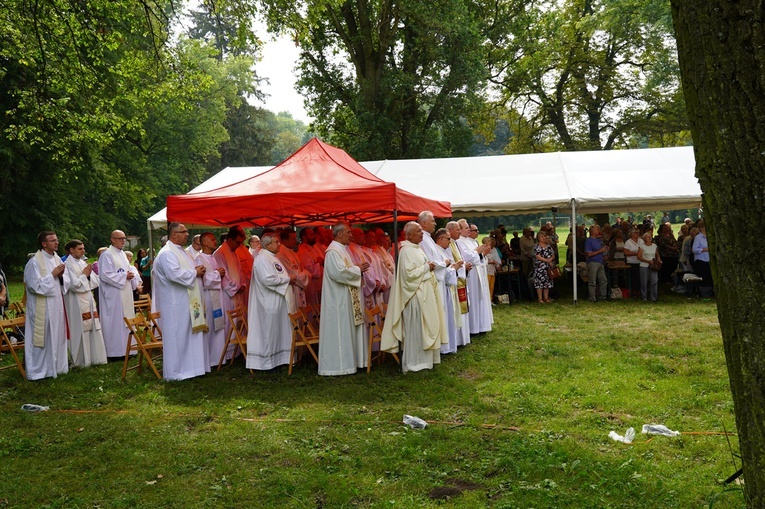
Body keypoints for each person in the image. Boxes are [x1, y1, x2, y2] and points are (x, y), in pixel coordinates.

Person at [381, 222, 445, 372]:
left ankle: (425, 360)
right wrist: (426, 267)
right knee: (416, 329)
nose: (422, 233)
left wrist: (427, 267)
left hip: (423, 294)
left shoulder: (416, 249)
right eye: (418, 231)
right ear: (409, 235)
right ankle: (414, 362)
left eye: (422, 230)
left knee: (424, 328)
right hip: (414, 297)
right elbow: (408, 276)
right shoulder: (406, 251)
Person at [153, 222, 209, 381]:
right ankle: (176, 373)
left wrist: (198, 270)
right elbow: (174, 275)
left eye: (186, 231)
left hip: (187, 302)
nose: (187, 234)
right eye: (183, 232)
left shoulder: (181, 252)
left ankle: (191, 369)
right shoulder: (167, 253)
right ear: (173, 235)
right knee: (178, 336)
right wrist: (195, 272)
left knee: (188, 335)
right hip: (175, 303)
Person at [318, 223, 366, 376]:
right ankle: (338, 366)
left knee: (347, 329)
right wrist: (358, 269)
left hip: (345, 297)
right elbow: (338, 273)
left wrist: (357, 269)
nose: (351, 235)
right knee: (340, 330)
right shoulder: (333, 252)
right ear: (339, 234)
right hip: (337, 299)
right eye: (348, 232)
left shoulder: (342, 250)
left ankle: (351, 362)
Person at [24, 231, 71, 380]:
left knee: (56, 335)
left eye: (57, 240)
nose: (57, 243)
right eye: (52, 241)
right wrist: (52, 275)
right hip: (42, 307)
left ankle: (57, 367)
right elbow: (34, 286)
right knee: (42, 338)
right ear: (44, 244)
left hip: (56, 305)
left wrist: (62, 276)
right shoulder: (34, 262)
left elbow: (65, 280)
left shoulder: (57, 258)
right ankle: (39, 371)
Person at [246, 232, 295, 371]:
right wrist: (287, 279)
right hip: (267, 302)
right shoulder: (261, 259)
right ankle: (268, 363)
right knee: (269, 331)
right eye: (276, 242)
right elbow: (267, 280)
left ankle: (279, 360)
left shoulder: (272, 257)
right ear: (267, 245)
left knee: (277, 331)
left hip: (277, 301)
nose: (279, 244)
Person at [64, 239, 107, 368]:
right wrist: (84, 276)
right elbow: (71, 285)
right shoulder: (67, 265)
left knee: (93, 327)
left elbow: (95, 281)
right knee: (79, 329)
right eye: (80, 248)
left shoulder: (83, 262)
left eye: (83, 248)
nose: (83, 251)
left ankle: (95, 357)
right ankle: (81, 360)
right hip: (75, 301)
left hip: (87, 299)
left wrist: (87, 276)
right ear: (71, 250)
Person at [99, 230, 138, 359]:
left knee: (125, 321)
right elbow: (105, 275)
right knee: (115, 321)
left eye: (124, 238)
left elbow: (127, 271)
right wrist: (124, 276)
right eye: (120, 238)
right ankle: (115, 352)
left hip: (125, 292)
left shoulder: (122, 254)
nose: (123, 240)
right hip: (114, 295)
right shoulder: (107, 255)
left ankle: (128, 349)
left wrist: (130, 276)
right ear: (112, 239)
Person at [196, 232, 227, 368]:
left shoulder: (213, 258)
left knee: (218, 326)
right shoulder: (199, 259)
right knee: (210, 325)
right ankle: (210, 358)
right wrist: (217, 273)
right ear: (205, 243)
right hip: (208, 297)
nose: (215, 241)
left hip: (217, 296)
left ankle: (219, 356)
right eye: (212, 239)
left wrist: (220, 272)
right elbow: (204, 280)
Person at [458, 219, 492, 334]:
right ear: (460, 229)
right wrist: (478, 252)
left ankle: (481, 325)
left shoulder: (472, 241)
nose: (468, 230)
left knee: (480, 299)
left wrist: (483, 254)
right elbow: (468, 257)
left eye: (469, 228)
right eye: (466, 228)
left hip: (478, 272)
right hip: (470, 274)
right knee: (473, 300)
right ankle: (474, 328)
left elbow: (478, 257)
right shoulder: (460, 241)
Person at [434, 228, 463, 354]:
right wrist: (454, 268)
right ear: (440, 239)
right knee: (445, 316)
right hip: (443, 288)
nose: (450, 242)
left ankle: (451, 344)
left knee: (450, 316)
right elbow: (442, 273)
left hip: (448, 288)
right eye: (448, 239)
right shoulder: (437, 251)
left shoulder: (443, 251)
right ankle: (446, 347)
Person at [445, 221, 470, 347]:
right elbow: (450, 262)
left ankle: (463, 337)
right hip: (455, 279)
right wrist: (461, 267)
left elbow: (460, 259)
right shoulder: (448, 244)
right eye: (457, 229)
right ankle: (458, 339)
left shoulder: (455, 243)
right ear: (450, 230)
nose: (460, 232)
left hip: (460, 277)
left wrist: (465, 266)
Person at [275, 228, 311, 313]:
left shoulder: (293, 252)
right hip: (292, 289)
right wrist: (306, 274)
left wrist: (304, 273)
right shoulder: (281, 254)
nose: (296, 241)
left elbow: (302, 270)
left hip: (299, 288)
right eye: (293, 239)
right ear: (285, 241)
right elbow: (296, 275)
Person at [297, 228, 324, 306]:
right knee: (313, 308)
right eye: (311, 235)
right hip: (311, 286)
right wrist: (319, 262)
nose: (314, 236)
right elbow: (311, 271)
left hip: (318, 285)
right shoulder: (303, 252)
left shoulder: (313, 248)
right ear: (304, 237)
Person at [585, 225, 608, 302]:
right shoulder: (589, 241)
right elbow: (589, 254)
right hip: (593, 262)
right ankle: (592, 297)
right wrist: (600, 251)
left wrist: (604, 251)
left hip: (600, 261)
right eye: (597, 229)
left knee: (603, 279)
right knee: (593, 280)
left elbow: (602, 249)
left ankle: (603, 295)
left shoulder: (599, 240)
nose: (599, 230)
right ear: (593, 231)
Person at [637, 232, 661, 302]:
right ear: (644, 238)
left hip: (653, 265)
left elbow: (657, 254)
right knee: (644, 282)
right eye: (648, 237)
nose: (649, 238)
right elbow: (639, 256)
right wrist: (648, 261)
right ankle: (644, 297)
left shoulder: (654, 246)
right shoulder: (642, 246)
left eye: (650, 236)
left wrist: (659, 260)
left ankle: (653, 297)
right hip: (644, 266)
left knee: (654, 281)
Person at [533, 232, 555, 303]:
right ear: (538, 238)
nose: (543, 238)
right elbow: (537, 256)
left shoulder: (548, 246)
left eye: (544, 236)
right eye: (541, 237)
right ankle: (540, 298)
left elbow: (553, 255)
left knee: (547, 283)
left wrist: (550, 260)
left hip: (548, 267)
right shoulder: (537, 246)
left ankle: (546, 298)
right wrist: (547, 260)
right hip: (540, 267)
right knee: (540, 283)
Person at [692, 220, 713, 288]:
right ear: (701, 228)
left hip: (709, 260)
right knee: (705, 276)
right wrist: (704, 250)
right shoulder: (698, 237)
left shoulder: (710, 236)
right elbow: (694, 250)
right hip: (701, 260)